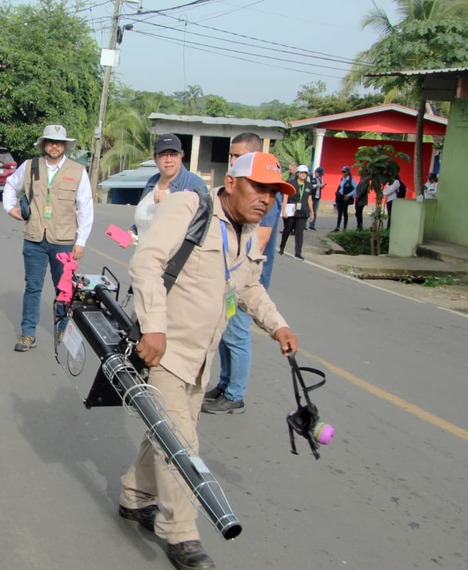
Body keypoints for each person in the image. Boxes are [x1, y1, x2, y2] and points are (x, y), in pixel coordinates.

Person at [119, 151, 298, 570]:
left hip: (200, 360)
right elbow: (146, 261)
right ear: (232, 183)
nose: (266, 199)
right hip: (166, 351)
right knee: (181, 443)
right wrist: (154, 327)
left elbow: (249, 287)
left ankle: (134, 496)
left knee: (166, 433)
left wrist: (278, 326)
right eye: (259, 187)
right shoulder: (190, 205)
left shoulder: (247, 232)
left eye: (274, 192)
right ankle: (181, 533)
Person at [202, 133, 282, 415]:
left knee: (236, 335)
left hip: (239, 281)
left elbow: (251, 247)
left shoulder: (261, 198)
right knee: (224, 334)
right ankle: (225, 384)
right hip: (228, 281)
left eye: (237, 156)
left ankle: (235, 393)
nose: (231, 161)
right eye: (231, 156)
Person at [2, 124, 94, 352]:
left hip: (63, 241)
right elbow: (10, 185)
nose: (54, 146)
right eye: (50, 142)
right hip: (34, 238)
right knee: (32, 287)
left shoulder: (78, 171)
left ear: (65, 145)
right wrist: (10, 209)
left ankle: (62, 326)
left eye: (59, 142)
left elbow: (85, 208)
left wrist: (81, 241)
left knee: (64, 289)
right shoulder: (30, 166)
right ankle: (27, 333)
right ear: (44, 144)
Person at [128, 134, 207, 240]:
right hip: (146, 253)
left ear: (181, 156)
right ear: (155, 157)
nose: (169, 159)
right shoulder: (151, 183)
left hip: (175, 255)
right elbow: (146, 219)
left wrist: (170, 203)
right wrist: (133, 232)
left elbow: (204, 225)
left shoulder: (195, 184)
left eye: (174, 154)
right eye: (163, 154)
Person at [279, 165, 314, 260]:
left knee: (299, 232)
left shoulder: (309, 186)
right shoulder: (291, 183)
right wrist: (284, 210)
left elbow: (310, 200)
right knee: (287, 229)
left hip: (303, 212)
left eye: (305, 173)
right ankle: (282, 247)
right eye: (301, 173)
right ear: (297, 173)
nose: (303, 175)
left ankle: (298, 253)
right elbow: (285, 197)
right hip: (291, 211)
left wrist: (312, 212)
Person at [333, 166, 356, 232]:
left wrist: (349, 195)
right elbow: (340, 187)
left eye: (344, 172)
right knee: (339, 213)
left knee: (345, 213)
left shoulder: (351, 180)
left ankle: (344, 228)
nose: (343, 173)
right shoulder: (342, 179)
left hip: (346, 197)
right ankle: (337, 227)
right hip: (340, 197)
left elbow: (356, 188)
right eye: (342, 172)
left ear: (348, 172)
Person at [309, 166, 325, 230]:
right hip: (311, 196)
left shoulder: (320, 179)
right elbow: (309, 186)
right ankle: (304, 225)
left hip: (317, 197)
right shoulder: (310, 177)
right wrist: (317, 185)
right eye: (320, 174)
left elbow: (321, 187)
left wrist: (322, 186)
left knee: (314, 212)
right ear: (316, 172)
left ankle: (312, 225)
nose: (320, 176)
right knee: (308, 211)